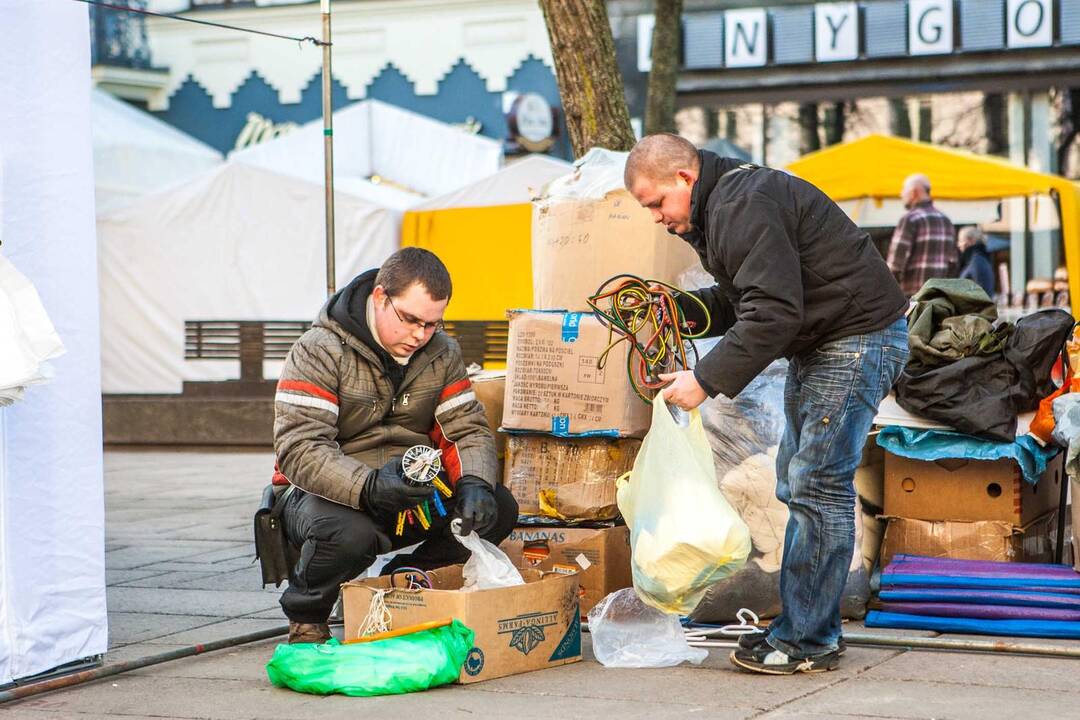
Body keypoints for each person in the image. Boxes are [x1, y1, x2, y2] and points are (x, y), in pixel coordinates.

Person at [624, 134, 909, 675]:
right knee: (799, 482)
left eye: (656, 203)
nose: (657, 219)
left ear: (685, 178)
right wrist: (680, 311)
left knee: (817, 485)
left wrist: (704, 380)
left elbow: (774, 313)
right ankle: (808, 630)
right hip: (835, 340)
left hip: (855, 340)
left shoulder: (740, 203)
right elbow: (748, 298)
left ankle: (806, 640)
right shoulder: (726, 202)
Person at [272, 247, 517, 644]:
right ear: (381, 297)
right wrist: (367, 487)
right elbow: (299, 447)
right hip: (325, 498)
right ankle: (307, 614)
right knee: (348, 533)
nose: (420, 335)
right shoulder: (317, 349)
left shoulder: (442, 352)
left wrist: (475, 483)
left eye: (433, 324)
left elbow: (467, 429)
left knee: (498, 508)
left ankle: (403, 586)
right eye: (410, 320)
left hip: (411, 497)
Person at [886, 173, 958, 296]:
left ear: (914, 192)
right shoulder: (946, 220)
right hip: (938, 299)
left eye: (904, 190)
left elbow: (895, 266)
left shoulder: (910, 219)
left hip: (913, 300)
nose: (901, 194)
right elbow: (953, 263)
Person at [957, 226, 995, 298]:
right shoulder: (976, 260)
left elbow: (984, 294)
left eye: (960, 240)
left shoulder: (977, 262)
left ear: (971, 241)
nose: (958, 244)